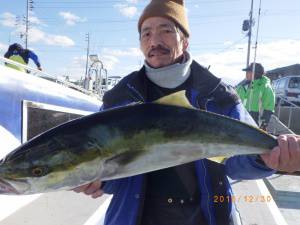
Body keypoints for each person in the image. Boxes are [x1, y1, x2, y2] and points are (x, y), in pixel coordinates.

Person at [73, 1, 300, 225]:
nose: (155, 41)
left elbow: (236, 164)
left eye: (166, 31)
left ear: (185, 40)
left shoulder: (218, 96)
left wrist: (268, 159)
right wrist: (99, 180)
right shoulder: (120, 98)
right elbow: (115, 173)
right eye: (146, 34)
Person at [236, 62, 275, 130]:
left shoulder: (265, 87)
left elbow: (269, 106)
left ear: (256, 73)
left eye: (248, 71)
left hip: (255, 120)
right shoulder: (241, 86)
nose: (246, 73)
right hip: (241, 118)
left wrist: (264, 124)